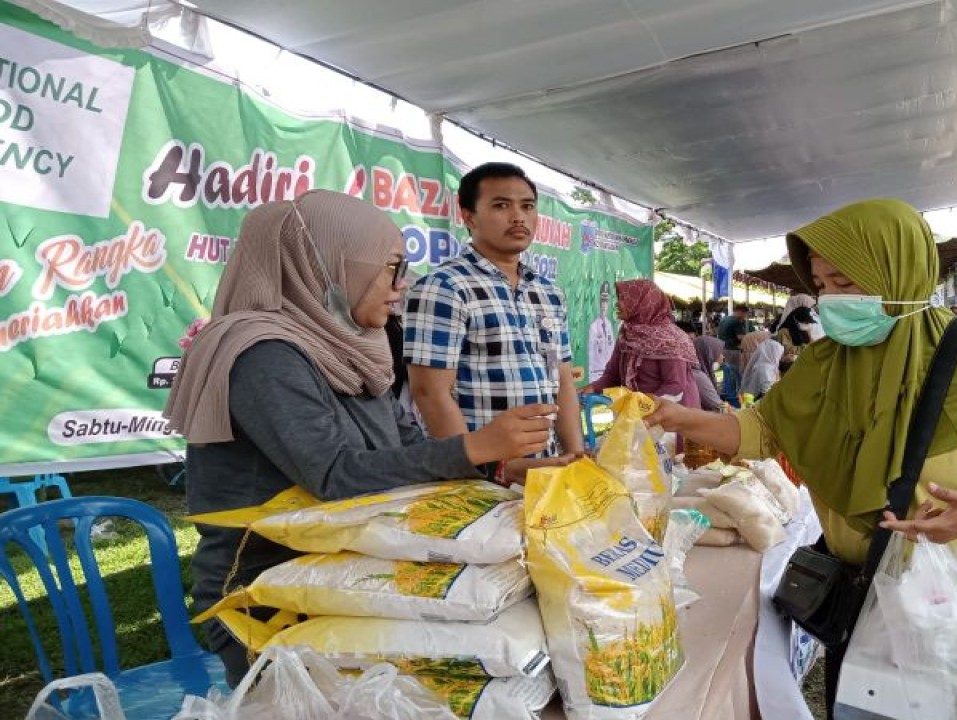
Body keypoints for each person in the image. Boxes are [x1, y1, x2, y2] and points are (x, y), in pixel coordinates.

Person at [645, 199, 957, 720]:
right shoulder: (823, 361)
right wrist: (682, 419)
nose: (831, 301)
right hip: (864, 602)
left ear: (898, 272)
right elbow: (766, 430)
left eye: (846, 283)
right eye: (822, 286)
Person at [164, 191, 556, 686]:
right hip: (268, 596)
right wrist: (474, 447)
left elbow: (405, 443)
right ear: (326, 267)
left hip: (353, 570)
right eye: (390, 268)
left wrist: (503, 467)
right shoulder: (262, 354)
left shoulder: (347, 345)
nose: (400, 287)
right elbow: (334, 474)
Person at [404, 162, 584, 474]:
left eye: (527, 206)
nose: (518, 217)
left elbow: (563, 381)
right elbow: (430, 394)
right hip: (482, 478)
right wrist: (486, 471)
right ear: (469, 217)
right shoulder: (444, 287)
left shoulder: (548, 292)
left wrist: (576, 457)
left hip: (548, 469)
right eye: (501, 205)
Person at [586, 279, 701, 409]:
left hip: (673, 416)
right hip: (640, 414)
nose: (617, 304)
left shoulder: (670, 339)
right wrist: (591, 389)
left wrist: (640, 408)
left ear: (642, 302)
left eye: (623, 299)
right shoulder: (627, 335)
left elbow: (674, 386)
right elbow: (613, 376)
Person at [717, 304, 750, 401]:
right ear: (740, 311)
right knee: (734, 372)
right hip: (732, 350)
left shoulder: (724, 319)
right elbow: (740, 337)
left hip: (722, 348)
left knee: (724, 371)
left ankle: (723, 392)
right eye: (745, 314)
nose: (745, 316)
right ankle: (733, 394)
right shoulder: (736, 322)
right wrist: (749, 336)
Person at [774, 294, 818, 364]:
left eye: (808, 323)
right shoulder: (784, 332)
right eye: (805, 322)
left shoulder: (804, 331)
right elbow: (788, 350)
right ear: (795, 320)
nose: (807, 325)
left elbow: (813, 345)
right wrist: (808, 348)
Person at [587, 281, 617, 383]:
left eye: (606, 301)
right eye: (602, 300)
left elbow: (612, 349)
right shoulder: (594, 327)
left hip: (608, 374)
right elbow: (591, 355)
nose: (604, 304)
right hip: (596, 373)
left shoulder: (609, 325)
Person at [693, 333, 727, 411]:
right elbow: (718, 406)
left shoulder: (704, 371)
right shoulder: (698, 376)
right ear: (709, 353)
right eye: (719, 353)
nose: (722, 357)